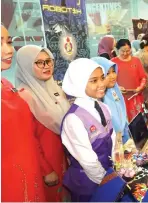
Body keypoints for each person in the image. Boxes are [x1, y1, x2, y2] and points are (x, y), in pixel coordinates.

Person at [15, 45, 70, 201]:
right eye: (39, 62)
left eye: (48, 61)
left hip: (64, 156)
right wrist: (46, 170)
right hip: (47, 162)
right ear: (26, 66)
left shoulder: (55, 88)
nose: (46, 66)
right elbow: (28, 140)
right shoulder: (24, 97)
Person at [1, 24, 46, 202]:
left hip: (30, 168)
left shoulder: (7, 85)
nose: (9, 50)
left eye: (9, 42)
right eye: (0, 43)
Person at [61, 58, 117, 201]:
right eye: (93, 81)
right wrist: (107, 182)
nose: (102, 84)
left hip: (109, 175)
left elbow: (113, 138)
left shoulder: (103, 107)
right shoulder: (74, 119)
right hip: (89, 183)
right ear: (79, 83)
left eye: (102, 78)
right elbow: (88, 161)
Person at [91, 57, 130, 144]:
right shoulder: (98, 98)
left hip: (123, 139)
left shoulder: (114, 89)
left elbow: (121, 113)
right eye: (107, 73)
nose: (113, 76)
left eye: (113, 71)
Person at [112, 39, 147, 121]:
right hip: (120, 98)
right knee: (124, 121)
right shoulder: (113, 63)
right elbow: (109, 81)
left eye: (128, 51)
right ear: (117, 50)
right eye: (122, 51)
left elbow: (143, 77)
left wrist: (140, 87)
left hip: (135, 96)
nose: (125, 53)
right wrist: (117, 87)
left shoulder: (136, 60)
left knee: (138, 121)